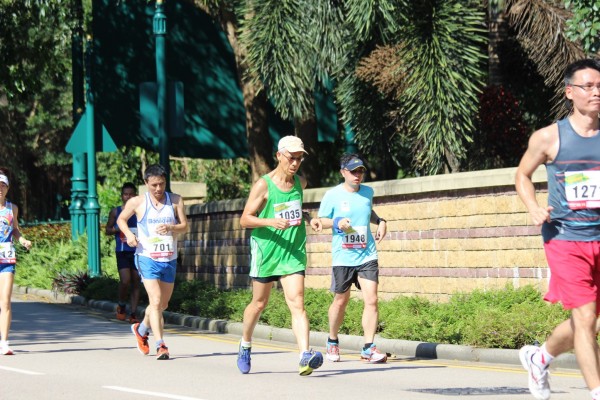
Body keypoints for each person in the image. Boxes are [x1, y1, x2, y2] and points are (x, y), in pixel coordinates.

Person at [515, 58, 600, 400]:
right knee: (585, 316)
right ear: (569, 92)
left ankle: (540, 358)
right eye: (588, 86)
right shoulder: (549, 137)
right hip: (565, 239)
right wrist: (533, 207)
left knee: (588, 320)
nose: (596, 92)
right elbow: (522, 175)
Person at [237, 135, 323, 376]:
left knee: (297, 303)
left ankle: (304, 356)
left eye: (299, 158)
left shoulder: (300, 183)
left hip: (292, 251)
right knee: (259, 303)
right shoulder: (263, 185)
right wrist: (270, 221)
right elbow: (245, 219)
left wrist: (309, 218)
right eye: (291, 158)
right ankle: (245, 344)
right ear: (279, 156)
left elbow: (295, 210)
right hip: (267, 251)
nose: (295, 163)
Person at [310, 154, 388, 363]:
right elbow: (321, 221)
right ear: (343, 172)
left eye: (360, 170)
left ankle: (368, 347)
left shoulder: (368, 192)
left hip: (367, 254)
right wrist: (337, 222)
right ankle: (332, 340)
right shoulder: (332, 195)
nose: (357, 175)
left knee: (372, 299)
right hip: (343, 257)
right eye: (353, 171)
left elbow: (367, 210)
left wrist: (381, 221)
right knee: (340, 301)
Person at [117, 164, 188, 360]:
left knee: (162, 304)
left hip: (169, 258)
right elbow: (121, 220)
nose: (158, 189)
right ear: (146, 183)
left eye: (162, 184)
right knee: (155, 301)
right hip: (147, 257)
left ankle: (141, 329)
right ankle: (161, 345)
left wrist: (171, 228)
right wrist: (129, 234)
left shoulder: (175, 200)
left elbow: (184, 226)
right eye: (154, 185)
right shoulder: (137, 202)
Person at [0, 167, 32, 355]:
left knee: (5, 302)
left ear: (8, 188)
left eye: (3, 185)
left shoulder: (12, 208)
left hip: (6, 258)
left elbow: (15, 229)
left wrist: (23, 240)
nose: (0, 189)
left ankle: (4, 343)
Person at [105, 182, 140, 324]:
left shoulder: (140, 211)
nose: (128, 197)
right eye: (126, 194)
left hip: (138, 250)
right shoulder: (116, 212)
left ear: (135, 196)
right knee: (125, 280)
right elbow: (107, 230)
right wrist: (118, 229)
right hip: (123, 250)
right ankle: (121, 305)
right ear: (122, 196)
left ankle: (133, 313)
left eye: (131, 194)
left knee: (136, 281)